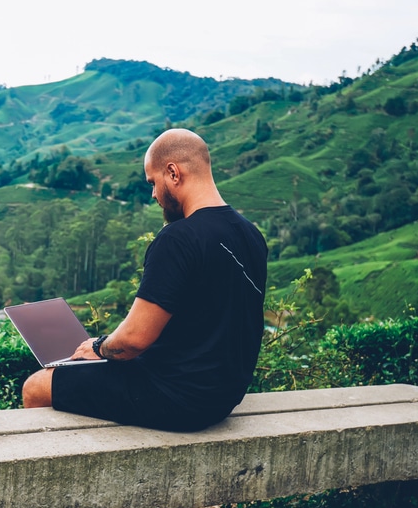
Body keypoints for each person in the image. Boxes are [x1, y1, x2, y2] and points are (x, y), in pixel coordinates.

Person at [22, 128, 268, 433]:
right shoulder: (250, 234)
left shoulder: (178, 238)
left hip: (178, 399)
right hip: (224, 396)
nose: (153, 195)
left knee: (37, 386)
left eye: (153, 182)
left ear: (173, 173)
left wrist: (97, 347)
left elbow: (133, 341)